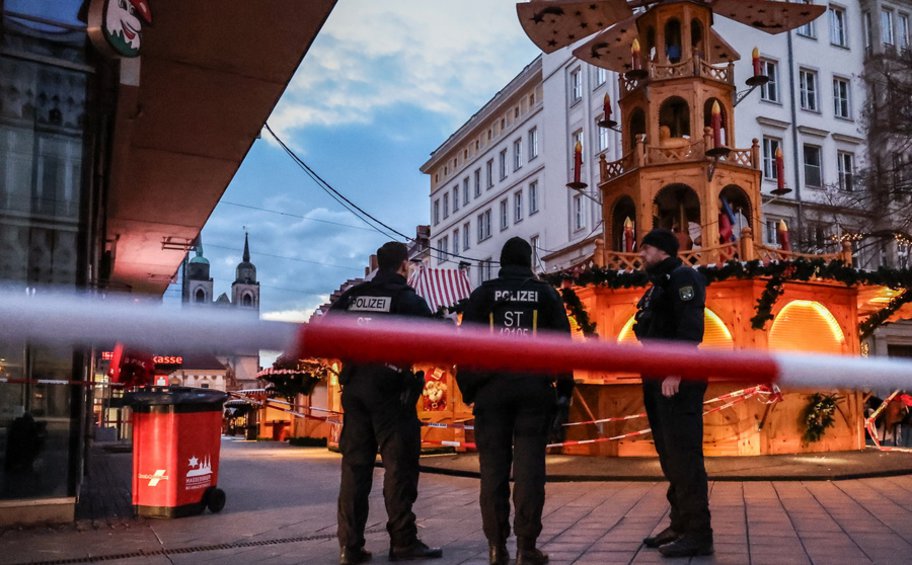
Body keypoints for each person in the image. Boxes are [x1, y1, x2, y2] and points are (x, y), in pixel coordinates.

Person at [457, 237, 573, 565]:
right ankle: (526, 546)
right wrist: (564, 390)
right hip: (534, 391)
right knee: (529, 471)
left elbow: (464, 347)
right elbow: (562, 343)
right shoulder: (545, 294)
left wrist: (470, 389)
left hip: (491, 392)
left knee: (492, 470)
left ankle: (496, 547)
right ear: (528, 259)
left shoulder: (483, 295)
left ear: (502, 261)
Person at [329, 241, 443, 565]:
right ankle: (403, 542)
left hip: (355, 387)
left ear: (378, 264)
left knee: (354, 469)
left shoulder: (352, 297)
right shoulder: (408, 300)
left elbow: (326, 328)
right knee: (400, 467)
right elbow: (435, 338)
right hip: (392, 391)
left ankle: (350, 547)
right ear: (404, 265)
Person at [633, 228, 713, 557]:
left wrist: (675, 369)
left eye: (647, 249)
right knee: (670, 458)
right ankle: (680, 523)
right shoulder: (658, 285)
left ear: (663, 251)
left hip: (677, 379)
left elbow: (690, 326)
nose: (642, 255)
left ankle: (698, 532)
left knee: (684, 457)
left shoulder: (684, 278)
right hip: (656, 378)